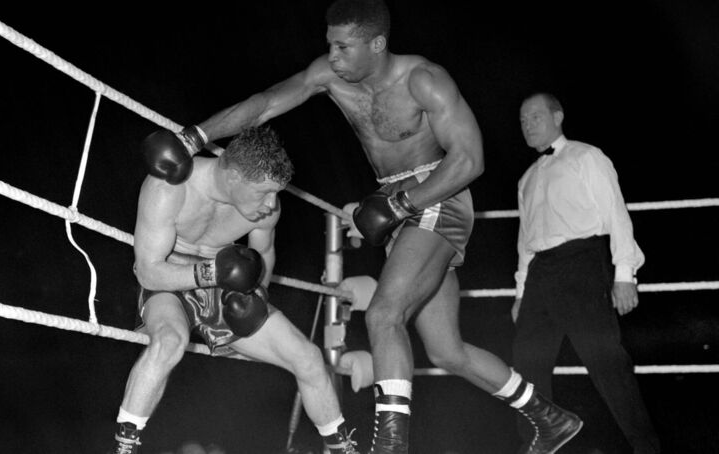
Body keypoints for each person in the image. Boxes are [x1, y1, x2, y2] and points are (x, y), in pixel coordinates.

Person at [178, 1, 582, 452]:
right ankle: (550, 418)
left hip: (438, 195)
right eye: (329, 45)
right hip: (400, 209)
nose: (332, 56)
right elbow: (265, 104)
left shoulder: (423, 80)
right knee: (447, 351)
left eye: (343, 47)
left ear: (377, 43)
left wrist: (402, 204)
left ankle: (389, 448)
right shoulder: (329, 76)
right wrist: (192, 136)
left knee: (383, 314)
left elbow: (470, 160)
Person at [110, 126, 359, 454]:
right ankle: (124, 448)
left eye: (275, 194)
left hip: (226, 288)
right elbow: (148, 272)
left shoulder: (266, 208)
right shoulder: (169, 189)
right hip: (169, 283)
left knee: (309, 358)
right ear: (233, 178)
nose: (271, 205)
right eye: (264, 193)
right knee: (169, 341)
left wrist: (257, 296)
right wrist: (211, 272)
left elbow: (264, 256)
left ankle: (342, 449)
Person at [513, 92, 661, 453]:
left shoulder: (586, 156)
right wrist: (520, 293)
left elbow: (615, 213)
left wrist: (624, 274)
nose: (527, 125)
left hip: (582, 264)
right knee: (525, 365)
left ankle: (647, 448)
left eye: (534, 117)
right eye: (522, 120)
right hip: (540, 274)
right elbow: (525, 241)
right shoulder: (527, 178)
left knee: (606, 363)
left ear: (558, 116)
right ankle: (537, 445)